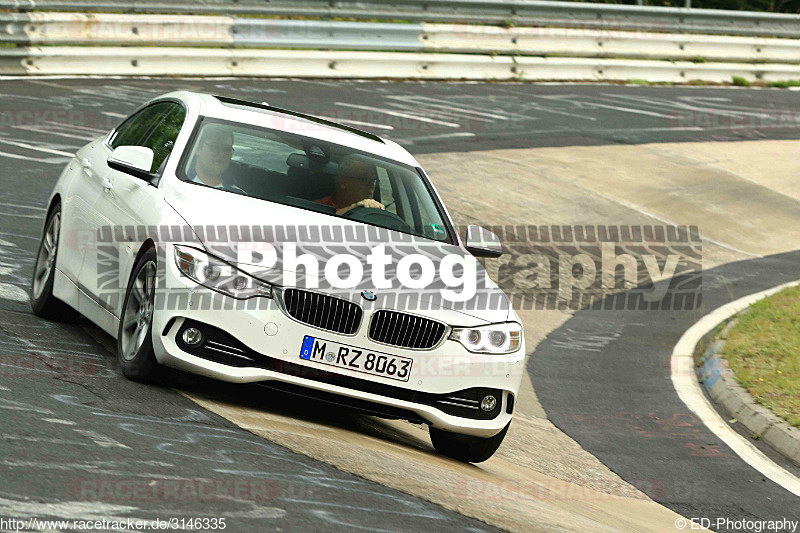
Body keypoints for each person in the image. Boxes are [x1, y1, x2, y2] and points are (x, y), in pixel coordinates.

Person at [315, 157, 385, 215]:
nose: (370, 185)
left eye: (373, 180)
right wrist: (354, 207)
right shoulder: (319, 206)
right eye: (364, 179)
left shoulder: (375, 213)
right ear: (343, 182)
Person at [189, 125, 245, 194]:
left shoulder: (240, 196)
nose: (221, 154)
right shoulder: (176, 180)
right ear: (198, 149)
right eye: (215, 147)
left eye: (227, 149)